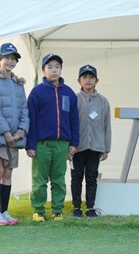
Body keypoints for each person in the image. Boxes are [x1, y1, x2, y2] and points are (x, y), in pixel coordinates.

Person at [26, 53, 79, 222]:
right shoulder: (37, 93)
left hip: (62, 144)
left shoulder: (69, 93)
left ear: (61, 69)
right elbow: (31, 120)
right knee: (39, 180)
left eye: (57, 67)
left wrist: (74, 143)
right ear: (43, 70)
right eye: (50, 67)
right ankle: (38, 209)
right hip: (42, 144)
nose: (54, 70)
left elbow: (74, 119)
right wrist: (30, 144)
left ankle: (57, 210)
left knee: (58, 180)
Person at [0, 43, 29, 226]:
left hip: (15, 138)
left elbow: (24, 109)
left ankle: (4, 211)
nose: (10, 61)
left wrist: (21, 131)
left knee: (8, 174)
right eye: (6, 58)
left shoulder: (18, 85)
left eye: (13, 58)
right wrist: (6, 132)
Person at [70, 64, 111, 218]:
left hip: (95, 147)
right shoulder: (73, 99)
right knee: (76, 177)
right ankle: (76, 207)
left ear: (96, 80)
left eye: (91, 77)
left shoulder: (103, 102)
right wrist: (70, 145)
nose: (88, 80)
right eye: (85, 77)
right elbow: (69, 123)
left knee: (92, 177)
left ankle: (90, 207)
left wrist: (106, 148)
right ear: (79, 80)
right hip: (77, 147)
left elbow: (107, 125)